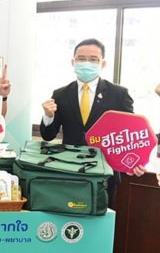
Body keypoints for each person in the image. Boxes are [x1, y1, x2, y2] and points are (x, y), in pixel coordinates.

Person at [40, 38, 144, 200]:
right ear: (73, 62)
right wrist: (48, 116)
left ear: (103, 63)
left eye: (93, 59)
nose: (87, 63)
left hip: (105, 172)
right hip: (69, 169)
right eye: (81, 59)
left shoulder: (119, 94)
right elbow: (48, 136)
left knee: (102, 214)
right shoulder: (60, 94)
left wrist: (136, 160)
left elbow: (130, 133)